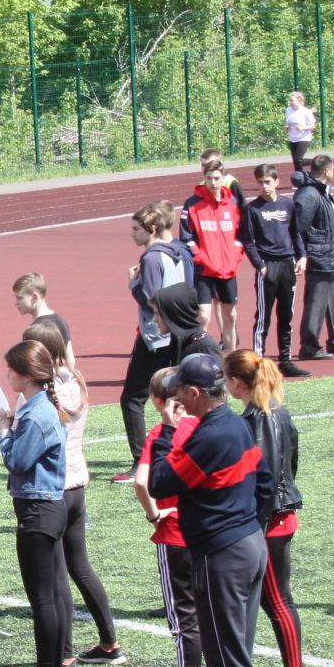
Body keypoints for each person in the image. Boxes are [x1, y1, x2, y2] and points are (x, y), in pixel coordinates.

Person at [148, 352, 276, 667]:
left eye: (182, 390)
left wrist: (169, 432)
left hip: (222, 553)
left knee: (227, 651)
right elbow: (265, 483)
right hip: (247, 544)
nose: (178, 397)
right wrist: (246, 526)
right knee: (228, 647)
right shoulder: (237, 424)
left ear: (197, 392)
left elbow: (160, 480)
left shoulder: (206, 436)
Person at [21, 322, 124, 667]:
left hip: (55, 488)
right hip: (78, 483)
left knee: (57, 574)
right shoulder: (75, 380)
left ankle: (64, 653)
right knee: (80, 566)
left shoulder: (45, 394)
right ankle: (109, 640)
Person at [224, 350, 308, 667]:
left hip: (269, 522)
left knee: (277, 600)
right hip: (276, 517)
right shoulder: (273, 411)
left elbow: (267, 476)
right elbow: (292, 462)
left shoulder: (259, 417)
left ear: (237, 383)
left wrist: (253, 525)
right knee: (273, 599)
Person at [0, 341, 70, 667]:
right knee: (49, 595)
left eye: (10, 370)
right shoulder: (38, 407)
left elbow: (18, 462)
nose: (7, 374)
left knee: (42, 599)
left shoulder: (37, 413)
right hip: (46, 507)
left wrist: (3, 431)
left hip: (39, 510)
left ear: (26, 374)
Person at [134, 368, 206, 667]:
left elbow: (141, 481)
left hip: (175, 533)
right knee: (216, 617)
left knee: (184, 622)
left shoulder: (161, 433)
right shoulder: (207, 426)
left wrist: (154, 514)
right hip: (212, 536)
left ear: (158, 401)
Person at [116, 200, 191, 483]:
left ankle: (140, 460)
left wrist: (132, 283)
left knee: (132, 398)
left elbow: (150, 300)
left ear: (152, 229)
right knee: (176, 392)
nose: (132, 234)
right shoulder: (181, 251)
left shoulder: (150, 258)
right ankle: (180, 448)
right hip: (178, 333)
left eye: (136, 229)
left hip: (155, 336)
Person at [292, 154, 334, 360]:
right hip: (318, 255)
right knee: (316, 302)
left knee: (332, 301)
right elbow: (298, 228)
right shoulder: (308, 195)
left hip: (329, 255)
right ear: (326, 171)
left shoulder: (323, 191)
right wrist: (303, 255)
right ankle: (309, 346)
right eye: (333, 169)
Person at [242, 163, 308, 378]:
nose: (264, 186)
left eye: (268, 182)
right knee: (263, 317)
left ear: (277, 182)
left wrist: (302, 256)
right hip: (267, 267)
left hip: (287, 264)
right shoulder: (252, 209)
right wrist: (259, 265)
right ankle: (258, 363)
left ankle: (285, 360)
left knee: (286, 315)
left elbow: (295, 233)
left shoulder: (287, 205)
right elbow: (248, 242)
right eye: (260, 182)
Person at [181, 155, 250, 350]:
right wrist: (201, 257)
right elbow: (186, 237)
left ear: (223, 178)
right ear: (204, 178)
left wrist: (235, 256)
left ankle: (229, 359)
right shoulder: (192, 204)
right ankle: (197, 355)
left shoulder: (233, 203)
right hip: (204, 270)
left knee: (231, 316)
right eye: (209, 178)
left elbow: (241, 234)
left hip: (228, 269)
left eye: (217, 178)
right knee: (203, 315)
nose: (213, 182)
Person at [11, 273, 76, 370]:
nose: (15, 302)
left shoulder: (36, 331)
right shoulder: (61, 321)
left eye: (20, 298)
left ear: (34, 297)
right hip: (62, 380)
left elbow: (31, 367)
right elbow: (71, 361)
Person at [285, 92, 317, 171]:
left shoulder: (305, 111)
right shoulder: (288, 110)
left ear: (299, 101)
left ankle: (318, 162)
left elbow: (313, 126)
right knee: (296, 162)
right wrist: (287, 127)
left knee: (298, 160)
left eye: (292, 100)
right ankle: (299, 178)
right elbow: (289, 122)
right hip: (293, 138)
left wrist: (303, 128)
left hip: (303, 138)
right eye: (290, 100)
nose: (290, 102)